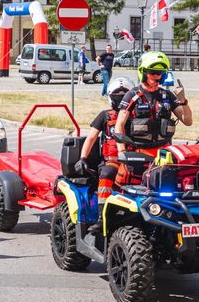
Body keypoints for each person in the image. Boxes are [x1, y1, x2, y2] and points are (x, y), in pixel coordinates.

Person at [114, 51, 192, 181]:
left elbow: (188, 121)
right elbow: (119, 126)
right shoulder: (132, 95)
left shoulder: (168, 95)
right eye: (153, 72)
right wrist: (122, 152)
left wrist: (183, 101)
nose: (156, 76)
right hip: (138, 154)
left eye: (159, 73)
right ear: (143, 72)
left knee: (169, 185)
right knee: (129, 185)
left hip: (163, 154)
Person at [75, 77, 135, 233]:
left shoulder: (138, 117)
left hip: (135, 160)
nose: (121, 100)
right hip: (112, 161)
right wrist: (82, 158)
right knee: (107, 174)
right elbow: (91, 138)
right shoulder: (104, 116)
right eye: (117, 96)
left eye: (124, 96)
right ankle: (103, 217)